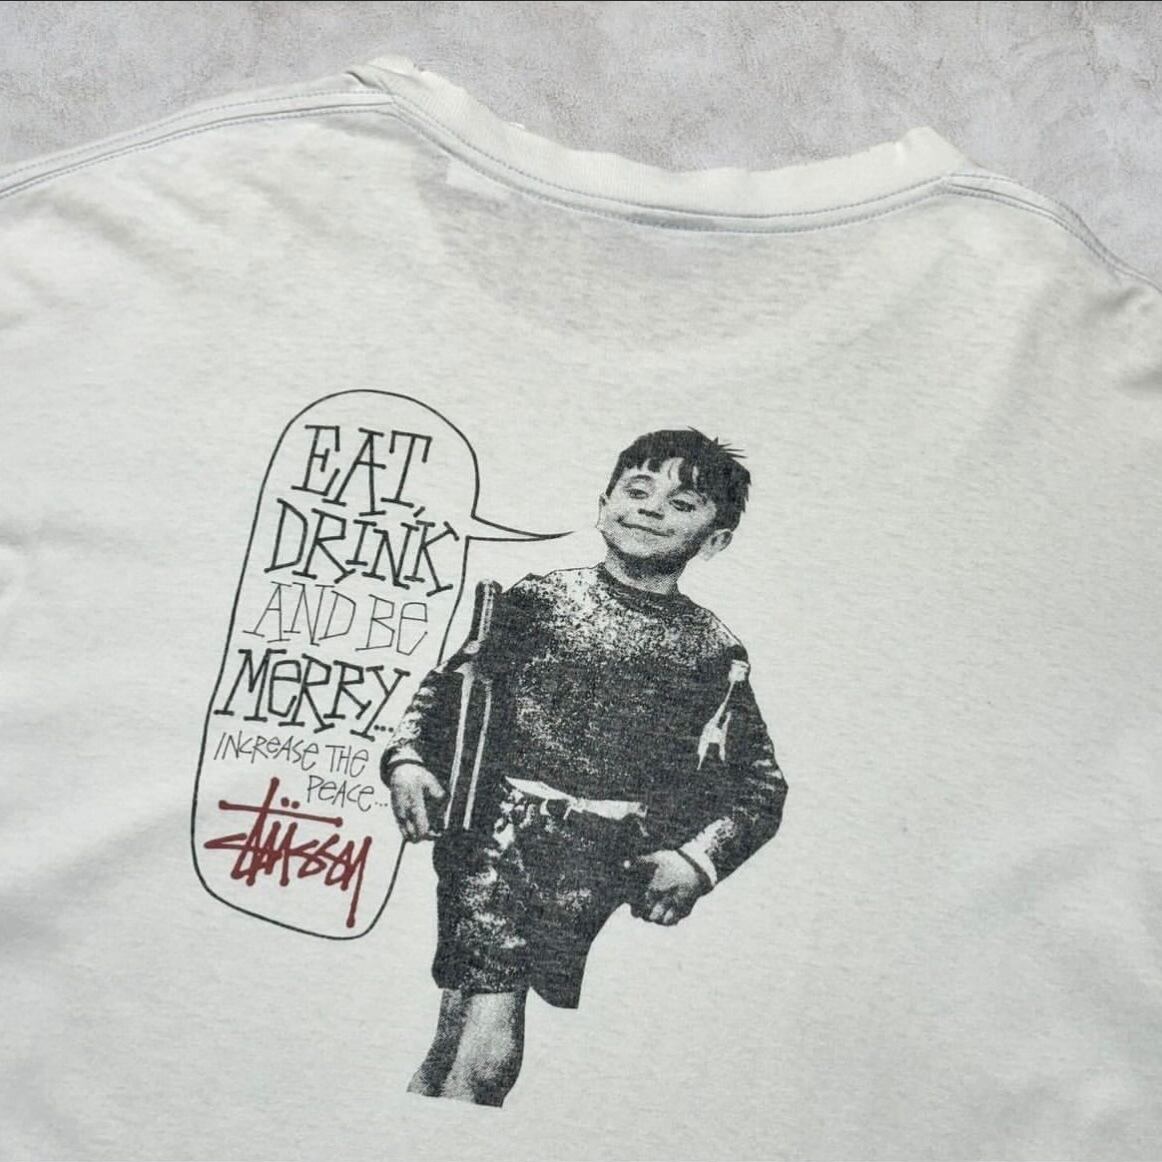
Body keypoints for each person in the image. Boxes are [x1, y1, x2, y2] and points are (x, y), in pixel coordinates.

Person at [381, 428, 790, 1106]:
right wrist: (408, 761)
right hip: (491, 838)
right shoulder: (538, 601)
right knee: (479, 1020)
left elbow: (760, 787)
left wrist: (695, 863)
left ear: (716, 540)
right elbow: (450, 689)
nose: (651, 509)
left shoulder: (714, 652)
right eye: (637, 490)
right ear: (603, 505)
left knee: (469, 1013)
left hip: (595, 864)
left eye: (681, 504)